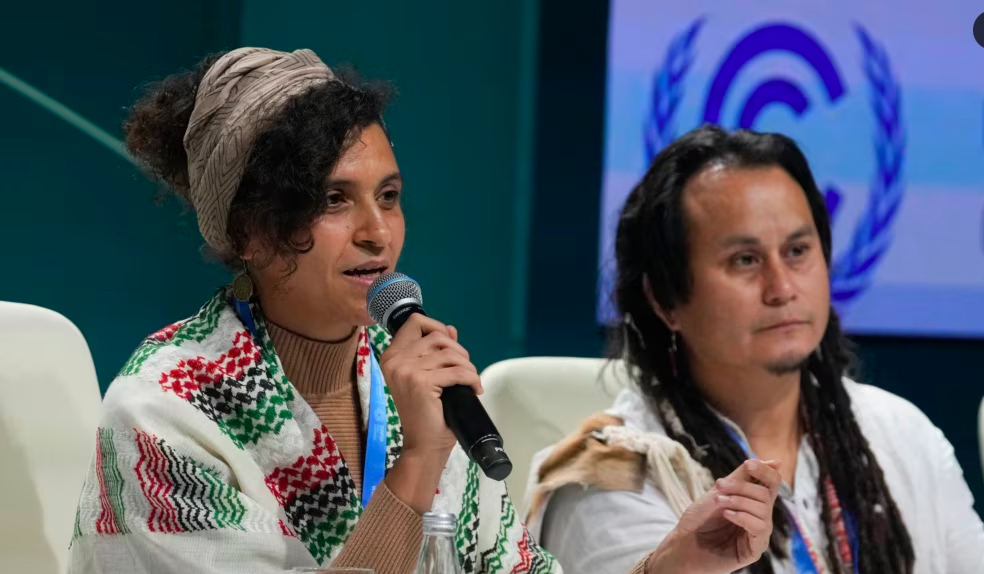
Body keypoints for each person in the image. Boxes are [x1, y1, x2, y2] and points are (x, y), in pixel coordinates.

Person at [67, 48, 782, 574]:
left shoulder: (410, 384)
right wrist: (416, 463)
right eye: (333, 200)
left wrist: (671, 563)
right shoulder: (162, 412)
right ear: (250, 231)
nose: (378, 232)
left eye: (389, 196)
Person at [527, 125, 984, 574]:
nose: (782, 288)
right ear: (664, 300)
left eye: (797, 251)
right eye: (745, 260)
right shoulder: (609, 476)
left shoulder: (901, 433)